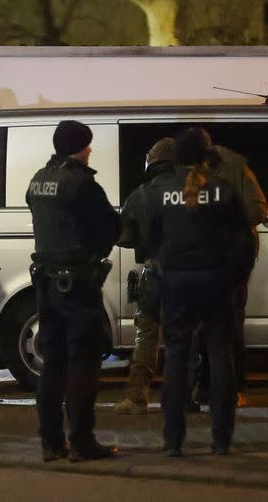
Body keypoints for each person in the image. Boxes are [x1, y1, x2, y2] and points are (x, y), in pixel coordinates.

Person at [145, 127, 254, 456]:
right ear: (207, 156)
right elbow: (244, 242)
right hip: (215, 281)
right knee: (220, 354)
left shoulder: (160, 190)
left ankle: (173, 440)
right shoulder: (222, 189)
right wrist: (231, 278)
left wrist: (167, 268)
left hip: (176, 282)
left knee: (176, 357)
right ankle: (221, 440)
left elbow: (150, 239)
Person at [26, 120, 121, 463]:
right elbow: (109, 227)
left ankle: (50, 443)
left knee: (53, 362)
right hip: (77, 283)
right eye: (87, 144)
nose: (90, 150)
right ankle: (81, 441)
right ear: (79, 146)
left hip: (47, 282)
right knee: (84, 358)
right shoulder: (81, 184)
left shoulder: (39, 179)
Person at [192, 128, 268, 410]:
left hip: (232, 258)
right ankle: (204, 386)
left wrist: (224, 221)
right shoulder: (189, 171)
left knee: (231, 324)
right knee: (201, 326)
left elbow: (259, 208)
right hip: (202, 258)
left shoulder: (234, 166)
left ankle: (234, 388)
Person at [114, 138, 176, 415]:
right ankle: (187, 396)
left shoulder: (141, 194)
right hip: (191, 276)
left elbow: (123, 237)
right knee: (185, 339)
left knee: (146, 337)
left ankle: (137, 397)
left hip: (154, 275)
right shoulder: (196, 191)